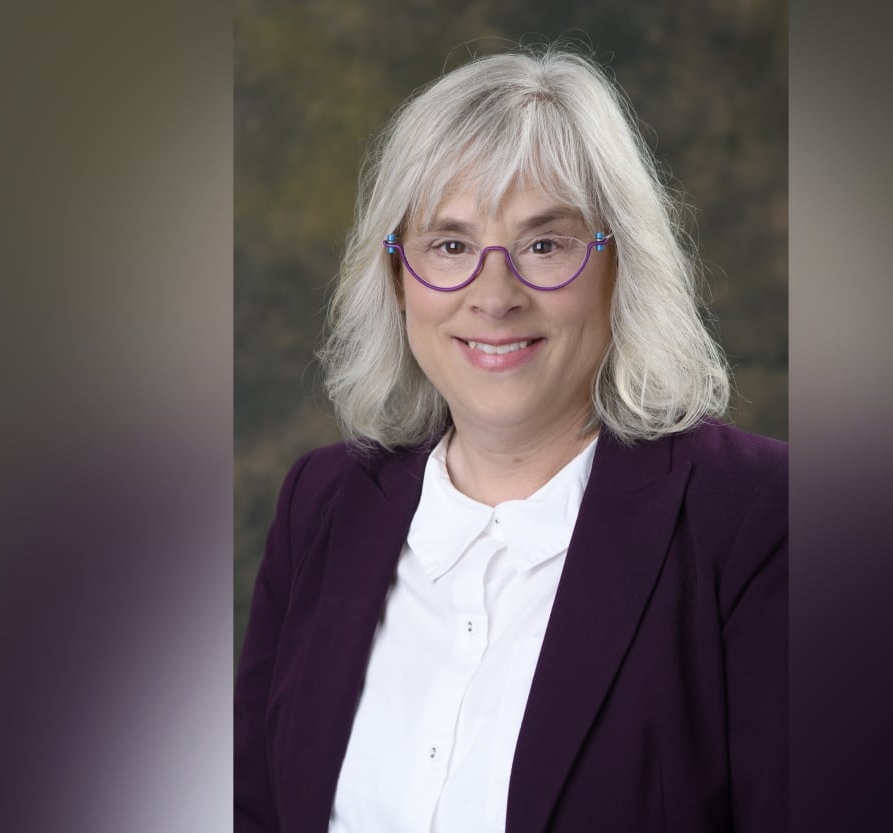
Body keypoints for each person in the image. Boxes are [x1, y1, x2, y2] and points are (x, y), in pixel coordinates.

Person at [235, 45, 786, 833]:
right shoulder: (320, 506)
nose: (494, 296)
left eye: (545, 244)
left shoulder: (756, 517)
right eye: (450, 245)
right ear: (397, 277)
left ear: (620, 265)